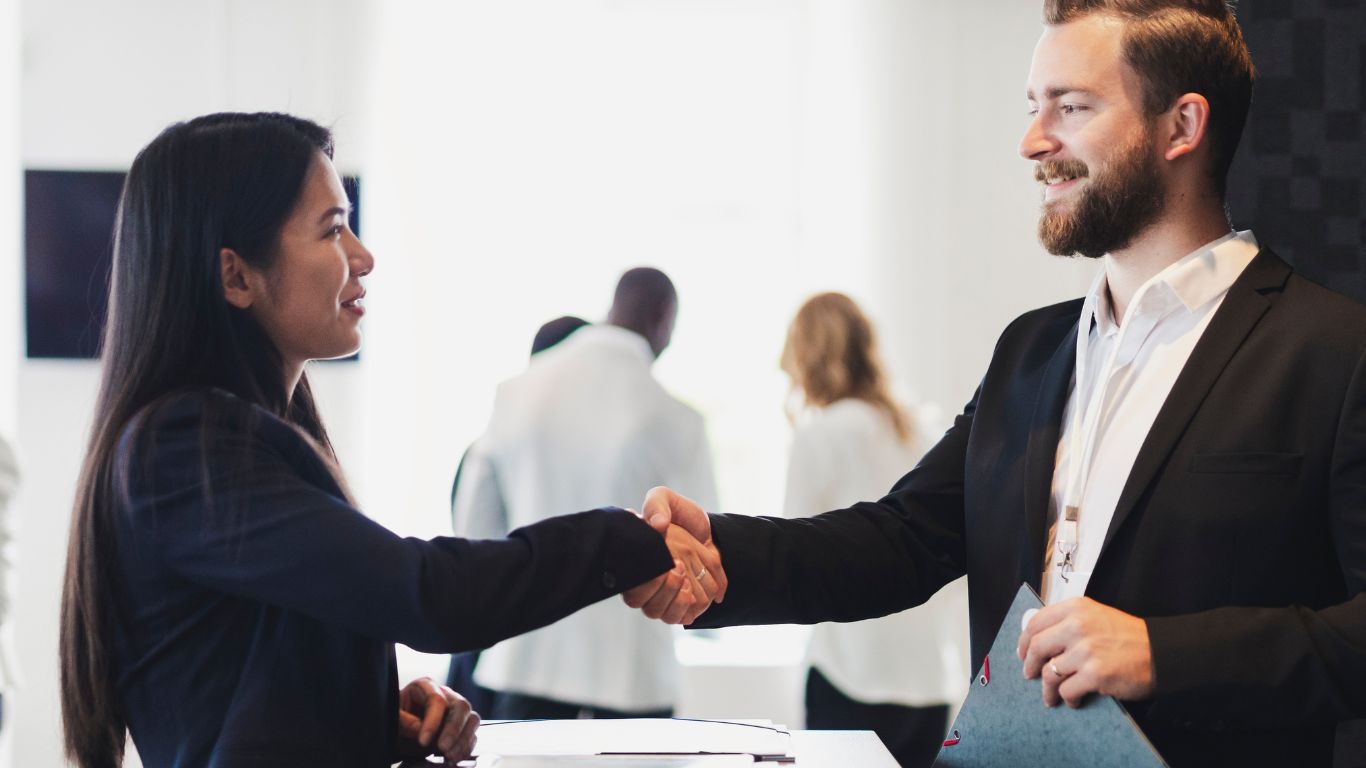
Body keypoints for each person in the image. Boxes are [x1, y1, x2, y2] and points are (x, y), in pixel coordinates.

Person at [625, 2, 1366, 765]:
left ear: (1181, 126)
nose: (1032, 140)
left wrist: (1161, 654)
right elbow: (904, 539)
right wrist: (723, 555)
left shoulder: (1337, 352)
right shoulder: (1030, 351)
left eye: (1071, 107)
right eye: (1033, 106)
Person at [57, 113, 724, 768]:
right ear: (236, 277)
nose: (363, 256)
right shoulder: (183, 446)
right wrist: (625, 540)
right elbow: (428, 595)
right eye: (332, 229)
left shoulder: (231, 437)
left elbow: (245, 683)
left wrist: (377, 720)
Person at [453, 268, 719, 720]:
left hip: (527, 654)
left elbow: (476, 527)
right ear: (664, 317)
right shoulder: (679, 419)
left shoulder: (516, 393)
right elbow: (703, 546)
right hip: (633, 671)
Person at [779, 293, 968, 767]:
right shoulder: (925, 433)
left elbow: (788, 555)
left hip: (849, 675)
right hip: (927, 681)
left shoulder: (820, 435)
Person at [445, 314, 590, 711]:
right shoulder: (499, 445)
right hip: (505, 642)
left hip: (507, 643)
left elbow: (470, 533)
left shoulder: (492, 443)